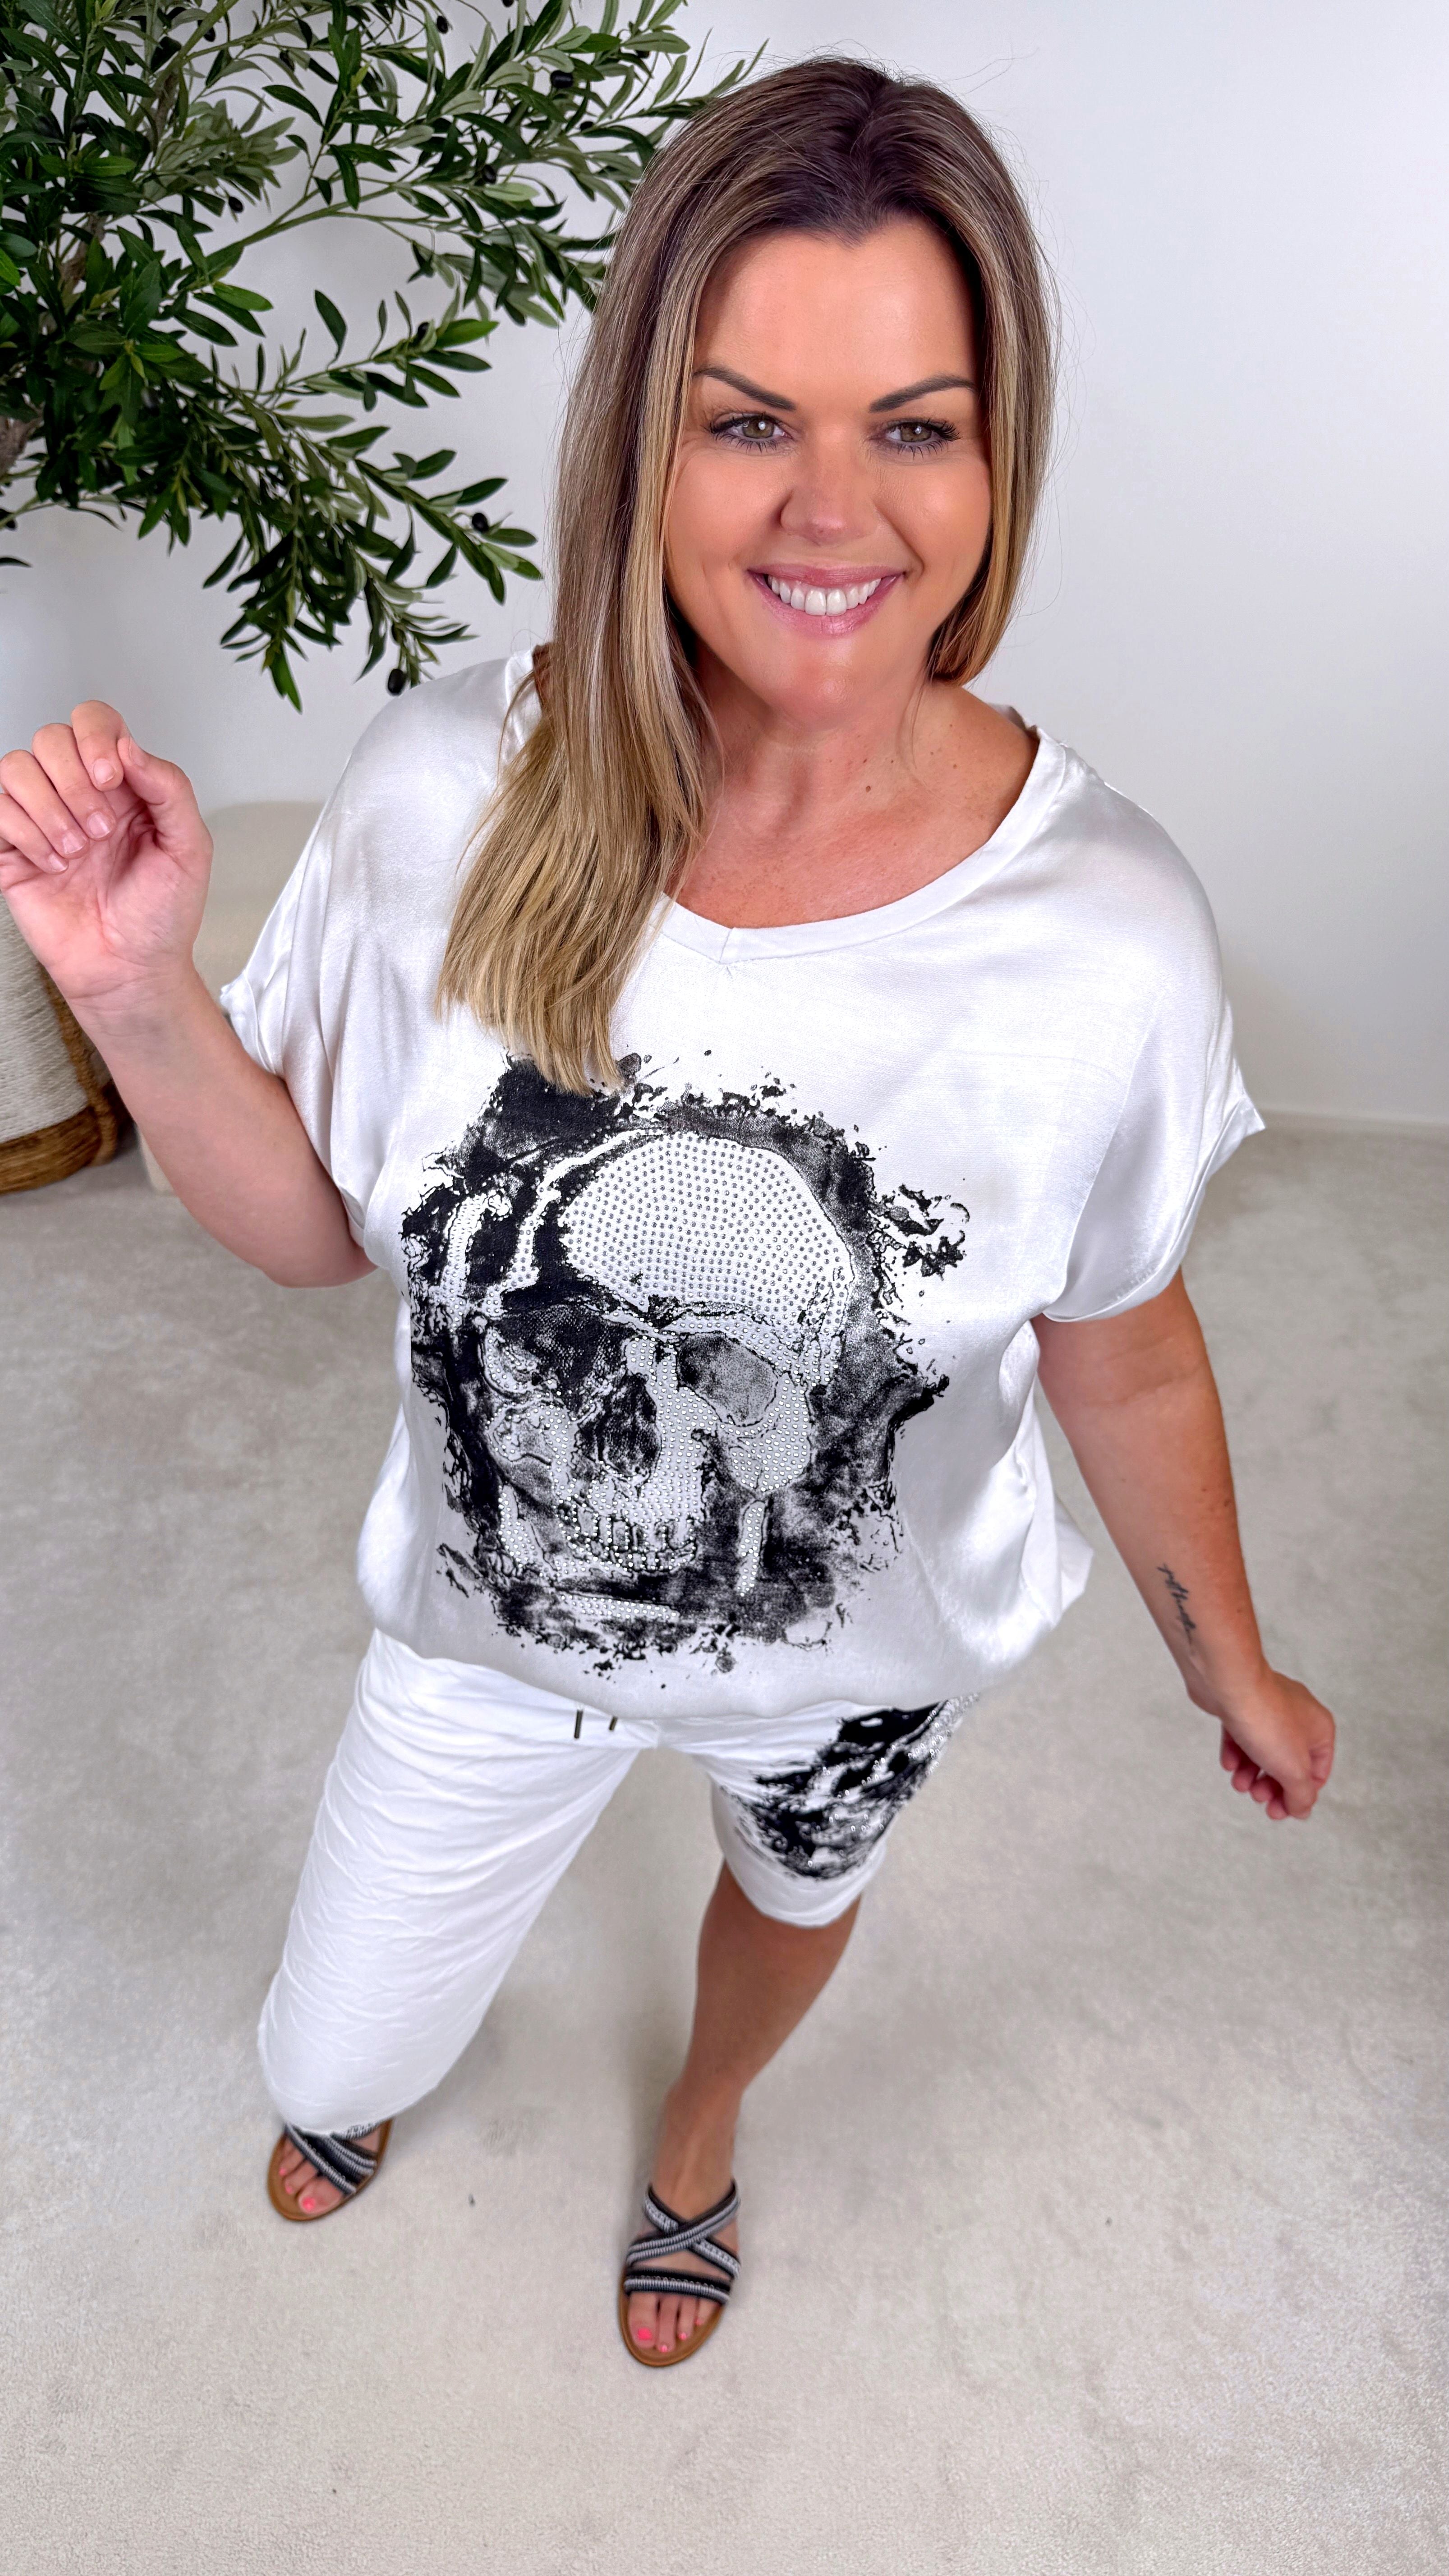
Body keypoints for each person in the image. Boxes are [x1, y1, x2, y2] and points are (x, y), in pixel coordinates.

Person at [0, 59, 1335, 2370]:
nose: (834, 507)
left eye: (913, 426)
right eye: (747, 423)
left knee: (790, 1899)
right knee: (324, 2054)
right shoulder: (453, 789)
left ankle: (701, 2132)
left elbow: (1119, 1341)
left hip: (855, 1674)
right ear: (643, 439)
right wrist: (130, 991)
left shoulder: (1107, 942)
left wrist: (1228, 1660)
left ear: (998, 459)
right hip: (482, 1631)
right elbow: (319, 1231)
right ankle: (371, 2081)